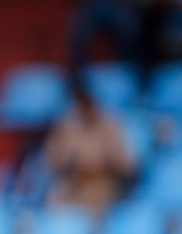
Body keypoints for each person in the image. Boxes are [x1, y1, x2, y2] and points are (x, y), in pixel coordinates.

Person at [43, 83, 135, 216]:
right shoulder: (67, 127)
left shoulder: (110, 127)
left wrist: (104, 160)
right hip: (73, 182)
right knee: (54, 200)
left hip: (103, 182)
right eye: (80, 105)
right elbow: (54, 163)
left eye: (88, 104)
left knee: (94, 205)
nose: (84, 110)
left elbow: (126, 165)